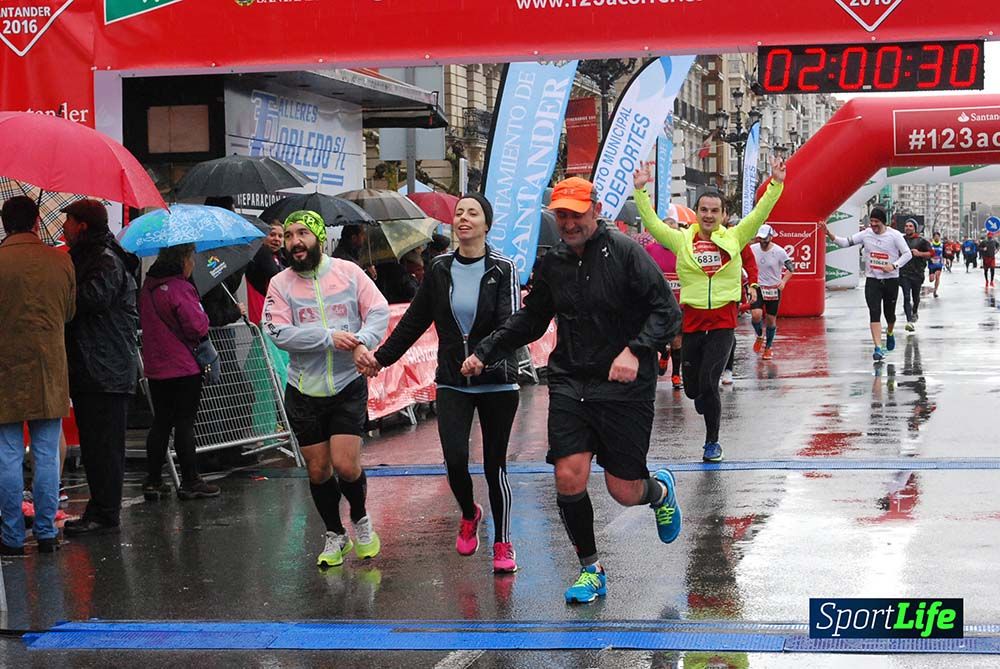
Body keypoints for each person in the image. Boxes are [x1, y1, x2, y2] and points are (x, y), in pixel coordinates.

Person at [461, 177, 683, 605]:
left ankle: (659, 492)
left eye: (576, 214)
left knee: (624, 490)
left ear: (595, 210)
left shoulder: (626, 254)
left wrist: (636, 350)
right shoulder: (555, 263)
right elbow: (532, 319)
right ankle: (591, 570)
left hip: (623, 385)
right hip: (571, 381)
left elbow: (667, 312)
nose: (568, 223)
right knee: (567, 476)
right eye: (561, 215)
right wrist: (486, 351)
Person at [358, 193, 523, 574]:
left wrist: (483, 356)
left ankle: (502, 542)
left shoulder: (503, 269)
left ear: (486, 225)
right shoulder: (439, 268)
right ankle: (469, 512)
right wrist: (381, 359)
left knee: (495, 466)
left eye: (472, 213)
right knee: (455, 461)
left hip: (496, 379)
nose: (463, 218)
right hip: (452, 380)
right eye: (459, 213)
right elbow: (415, 320)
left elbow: (511, 325)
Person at [634, 156, 787, 463]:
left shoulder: (735, 237)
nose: (708, 215)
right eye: (704, 210)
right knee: (693, 390)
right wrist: (640, 191)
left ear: (722, 214)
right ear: (696, 212)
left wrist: (776, 183)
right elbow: (652, 224)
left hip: (722, 321)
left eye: (714, 211)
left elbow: (760, 214)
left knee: (709, 382)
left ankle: (712, 442)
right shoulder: (682, 241)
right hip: (691, 321)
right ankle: (702, 398)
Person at [264, 210, 390, 568]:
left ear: (319, 237)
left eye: (302, 233)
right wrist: (327, 337)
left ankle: (361, 519)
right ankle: (336, 534)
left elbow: (378, 311)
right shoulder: (280, 283)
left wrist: (362, 342)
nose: (295, 242)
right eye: (290, 235)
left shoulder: (348, 272)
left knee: (346, 465)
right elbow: (277, 331)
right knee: (318, 470)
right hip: (304, 389)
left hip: (347, 384)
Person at [0, 197, 75, 555]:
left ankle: (12, 536)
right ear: (35, 222)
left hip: (5, 367)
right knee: (46, 453)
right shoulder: (60, 261)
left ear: (4, 224)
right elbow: (69, 312)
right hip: (49, 367)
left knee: (8, 454)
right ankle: (46, 533)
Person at [61, 200, 140, 537]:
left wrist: (62, 287)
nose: (64, 227)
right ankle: (100, 508)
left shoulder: (104, 260)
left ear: (82, 225)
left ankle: (106, 514)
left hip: (105, 369)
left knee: (104, 446)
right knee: (96, 445)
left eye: (68, 220)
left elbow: (89, 300)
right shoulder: (92, 256)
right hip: (96, 366)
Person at [139, 243, 221, 501]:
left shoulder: (148, 287)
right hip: (183, 367)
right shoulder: (180, 288)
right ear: (183, 259)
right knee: (185, 423)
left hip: (156, 366)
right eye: (190, 258)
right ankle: (190, 480)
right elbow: (197, 327)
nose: (192, 264)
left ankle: (153, 480)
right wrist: (203, 314)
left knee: (161, 422)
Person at [824, 207, 912, 362]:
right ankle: (878, 348)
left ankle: (890, 332)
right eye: (871, 221)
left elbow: (907, 254)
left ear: (883, 222)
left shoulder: (894, 235)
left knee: (889, 315)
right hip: (872, 280)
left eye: (876, 222)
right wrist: (829, 234)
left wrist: (894, 266)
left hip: (890, 280)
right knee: (874, 312)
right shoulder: (866, 234)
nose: (873, 225)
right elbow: (845, 243)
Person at [749, 224, 794, 360]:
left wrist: (783, 281)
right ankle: (759, 335)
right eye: (760, 238)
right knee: (756, 315)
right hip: (757, 287)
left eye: (765, 238)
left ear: (771, 236)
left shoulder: (779, 251)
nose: (762, 241)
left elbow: (791, 268)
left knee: (770, 319)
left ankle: (768, 347)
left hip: (773, 288)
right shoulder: (753, 249)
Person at [643, 239, 684, 389]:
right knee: (657, 338)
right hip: (658, 304)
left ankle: (676, 375)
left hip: (679, 303)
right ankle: (664, 353)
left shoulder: (683, 247)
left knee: (677, 340)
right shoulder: (650, 249)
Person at [721, 240, 759, 385]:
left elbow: (750, 264)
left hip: (729, 296)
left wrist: (752, 286)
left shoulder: (734, 238)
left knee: (728, 332)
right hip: (702, 295)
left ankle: (728, 370)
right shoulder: (695, 236)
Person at [245, 220, 287, 325]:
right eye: (272, 235)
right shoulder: (261, 252)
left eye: (280, 236)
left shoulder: (277, 257)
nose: (276, 239)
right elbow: (277, 278)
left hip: (273, 314)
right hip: (263, 314)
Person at [899, 219, 933, 333]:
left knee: (915, 297)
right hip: (904, 273)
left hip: (917, 273)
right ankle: (909, 321)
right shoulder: (901, 240)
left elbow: (931, 253)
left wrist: (919, 254)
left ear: (915, 228)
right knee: (906, 296)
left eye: (910, 226)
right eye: (906, 226)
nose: (908, 228)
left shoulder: (921, 241)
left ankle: (914, 311)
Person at [928, 231, 944, 298]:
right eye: (935, 236)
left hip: (939, 264)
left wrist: (945, 260)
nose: (936, 238)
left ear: (939, 237)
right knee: (931, 279)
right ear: (933, 237)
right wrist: (930, 258)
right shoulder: (930, 245)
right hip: (931, 264)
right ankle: (932, 277)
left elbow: (944, 253)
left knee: (937, 277)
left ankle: (935, 291)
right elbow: (927, 253)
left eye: (938, 236)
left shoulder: (942, 245)